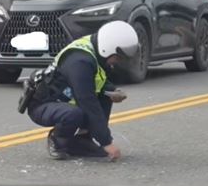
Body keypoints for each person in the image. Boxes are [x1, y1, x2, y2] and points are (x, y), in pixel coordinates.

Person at [25, 21, 139, 161]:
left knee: (105, 96)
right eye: (118, 57)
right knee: (74, 113)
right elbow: (87, 101)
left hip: (66, 99)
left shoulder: (95, 48)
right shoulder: (80, 62)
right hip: (43, 105)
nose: (118, 62)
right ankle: (58, 142)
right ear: (108, 48)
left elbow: (95, 80)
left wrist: (112, 90)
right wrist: (106, 142)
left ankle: (82, 141)